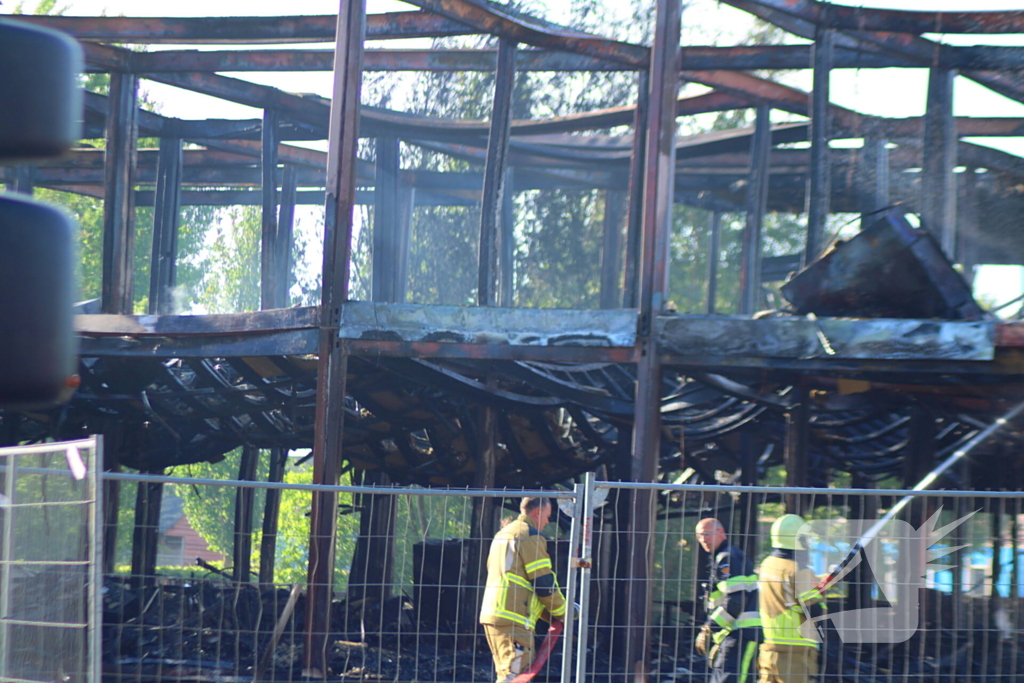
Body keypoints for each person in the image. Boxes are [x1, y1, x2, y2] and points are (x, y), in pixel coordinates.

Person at [479, 497, 569, 683]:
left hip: (494, 614)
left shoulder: (504, 534)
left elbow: (519, 582)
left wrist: (549, 616)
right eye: (547, 516)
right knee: (516, 677)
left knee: (507, 675)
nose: (547, 522)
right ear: (537, 512)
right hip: (514, 619)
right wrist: (564, 612)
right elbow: (543, 583)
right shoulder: (530, 536)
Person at [757, 514, 824, 683]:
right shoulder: (798, 570)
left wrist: (817, 581)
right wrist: (821, 592)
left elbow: (787, 591)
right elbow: (814, 610)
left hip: (770, 648)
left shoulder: (767, 564)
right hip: (796, 652)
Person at [694, 518, 761, 683]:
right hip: (734, 634)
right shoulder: (726, 556)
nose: (703, 540)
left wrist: (709, 628)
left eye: (707, 534)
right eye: (699, 536)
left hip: (742, 634)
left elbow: (736, 601)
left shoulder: (727, 558)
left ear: (721, 532)